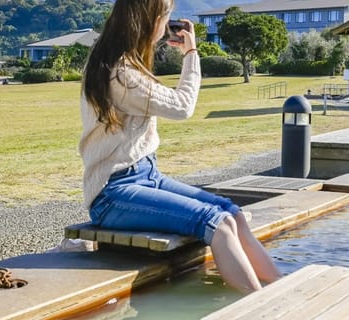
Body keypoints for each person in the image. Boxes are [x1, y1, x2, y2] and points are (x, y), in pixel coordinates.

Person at [78, 0, 280, 293]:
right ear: (151, 21)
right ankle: (262, 306)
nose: (167, 25)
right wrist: (191, 53)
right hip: (113, 193)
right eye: (166, 17)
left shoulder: (117, 61)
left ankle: (282, 287)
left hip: (147, 177)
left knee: (233, 213)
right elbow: (183, 106)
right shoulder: (122, 75)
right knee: (219, 223)